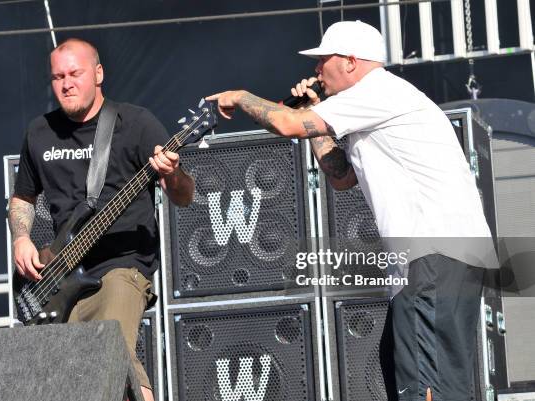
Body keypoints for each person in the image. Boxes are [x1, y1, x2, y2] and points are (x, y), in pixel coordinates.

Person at [206, 20, 496, 401]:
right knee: (420, 378)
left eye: (322, 60)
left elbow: (286, 123)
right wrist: (313, 109)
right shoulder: (373, 103)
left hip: (435, 253)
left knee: (427, 385)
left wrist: (241, 96)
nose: (316, 71)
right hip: (437, 257)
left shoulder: (377, 90)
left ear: (350, 62)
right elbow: (341, 176)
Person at [9, 38, 194, 401]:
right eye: (57, 77)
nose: (66, 83)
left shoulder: (136, 123)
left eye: (75, 73)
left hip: (122, 264)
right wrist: (21, 237)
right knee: (75, 377)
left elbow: (184, 195)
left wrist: (171, 173)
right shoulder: (39, 132)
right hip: (59, 274)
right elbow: (22, 198)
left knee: (110, 350)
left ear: (98, 74)